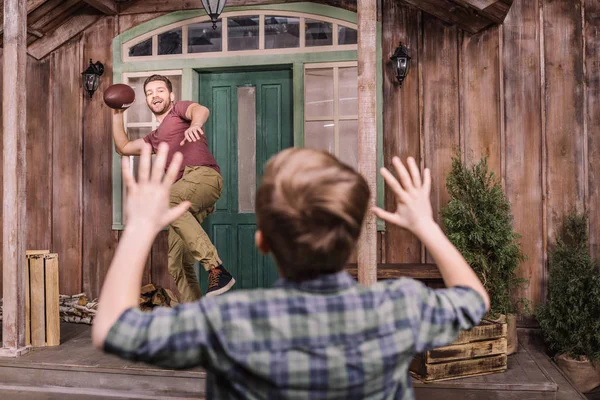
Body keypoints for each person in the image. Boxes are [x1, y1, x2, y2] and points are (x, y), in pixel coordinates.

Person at [93, 143, 490, 399]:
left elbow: (113, 329)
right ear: (351, 238)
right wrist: (426, 226)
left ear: (262, 240)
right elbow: (475, 300)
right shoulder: (400, 306)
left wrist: (142, 225)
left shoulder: (226, 322)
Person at [111, 75, 235, 300]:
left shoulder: (179, 110)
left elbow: (201, 110)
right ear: (147, 101)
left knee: (164, 200)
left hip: (203, 177)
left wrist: (195, 124)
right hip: (182, 195)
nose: (154, 95)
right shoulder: (155, 138)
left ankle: (216, 269)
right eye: (149, 93)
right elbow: (124, 146)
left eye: (159, 90)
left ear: (171, 95)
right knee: (177, 264)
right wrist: (117, 112)